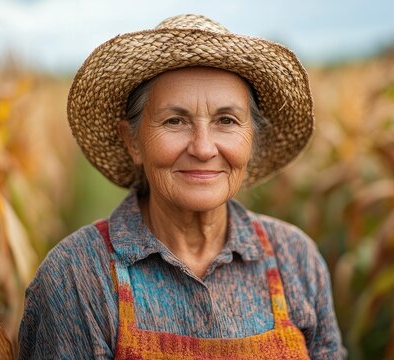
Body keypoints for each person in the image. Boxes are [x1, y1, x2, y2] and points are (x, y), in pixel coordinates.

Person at [19, 14, 345, 359]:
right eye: (175, 121)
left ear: (251, 138)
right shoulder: (75, 277)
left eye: (226, 121)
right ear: (132, 140)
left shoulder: (296, 259)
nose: (203, 148)